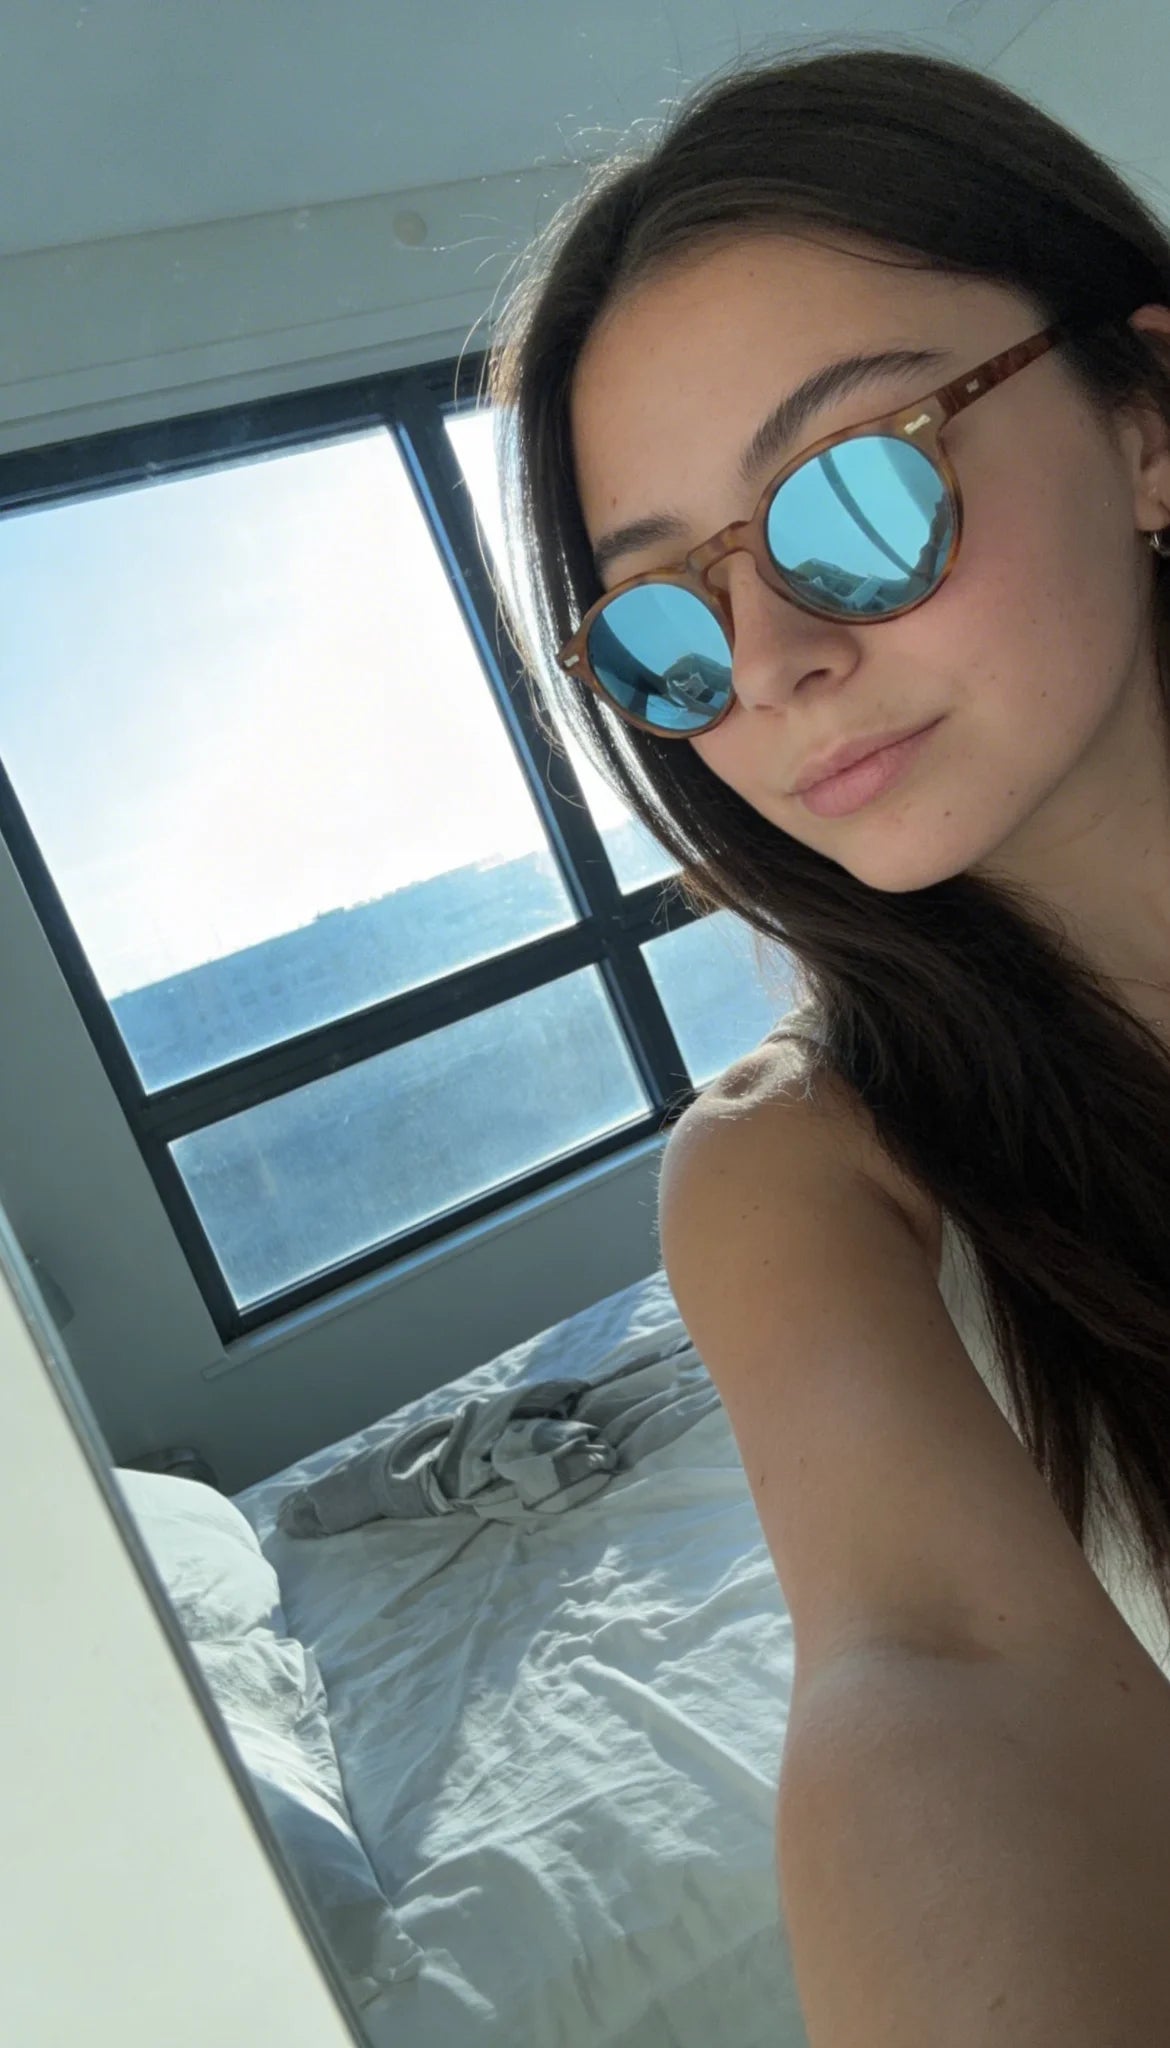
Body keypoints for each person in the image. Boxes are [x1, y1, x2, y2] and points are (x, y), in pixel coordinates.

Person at [486, 44, 1170, 2042]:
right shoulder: (796, 1173)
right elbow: (927, 1662)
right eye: (662, 626)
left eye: (856, 494)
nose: (770, 660)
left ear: (1145, 424)